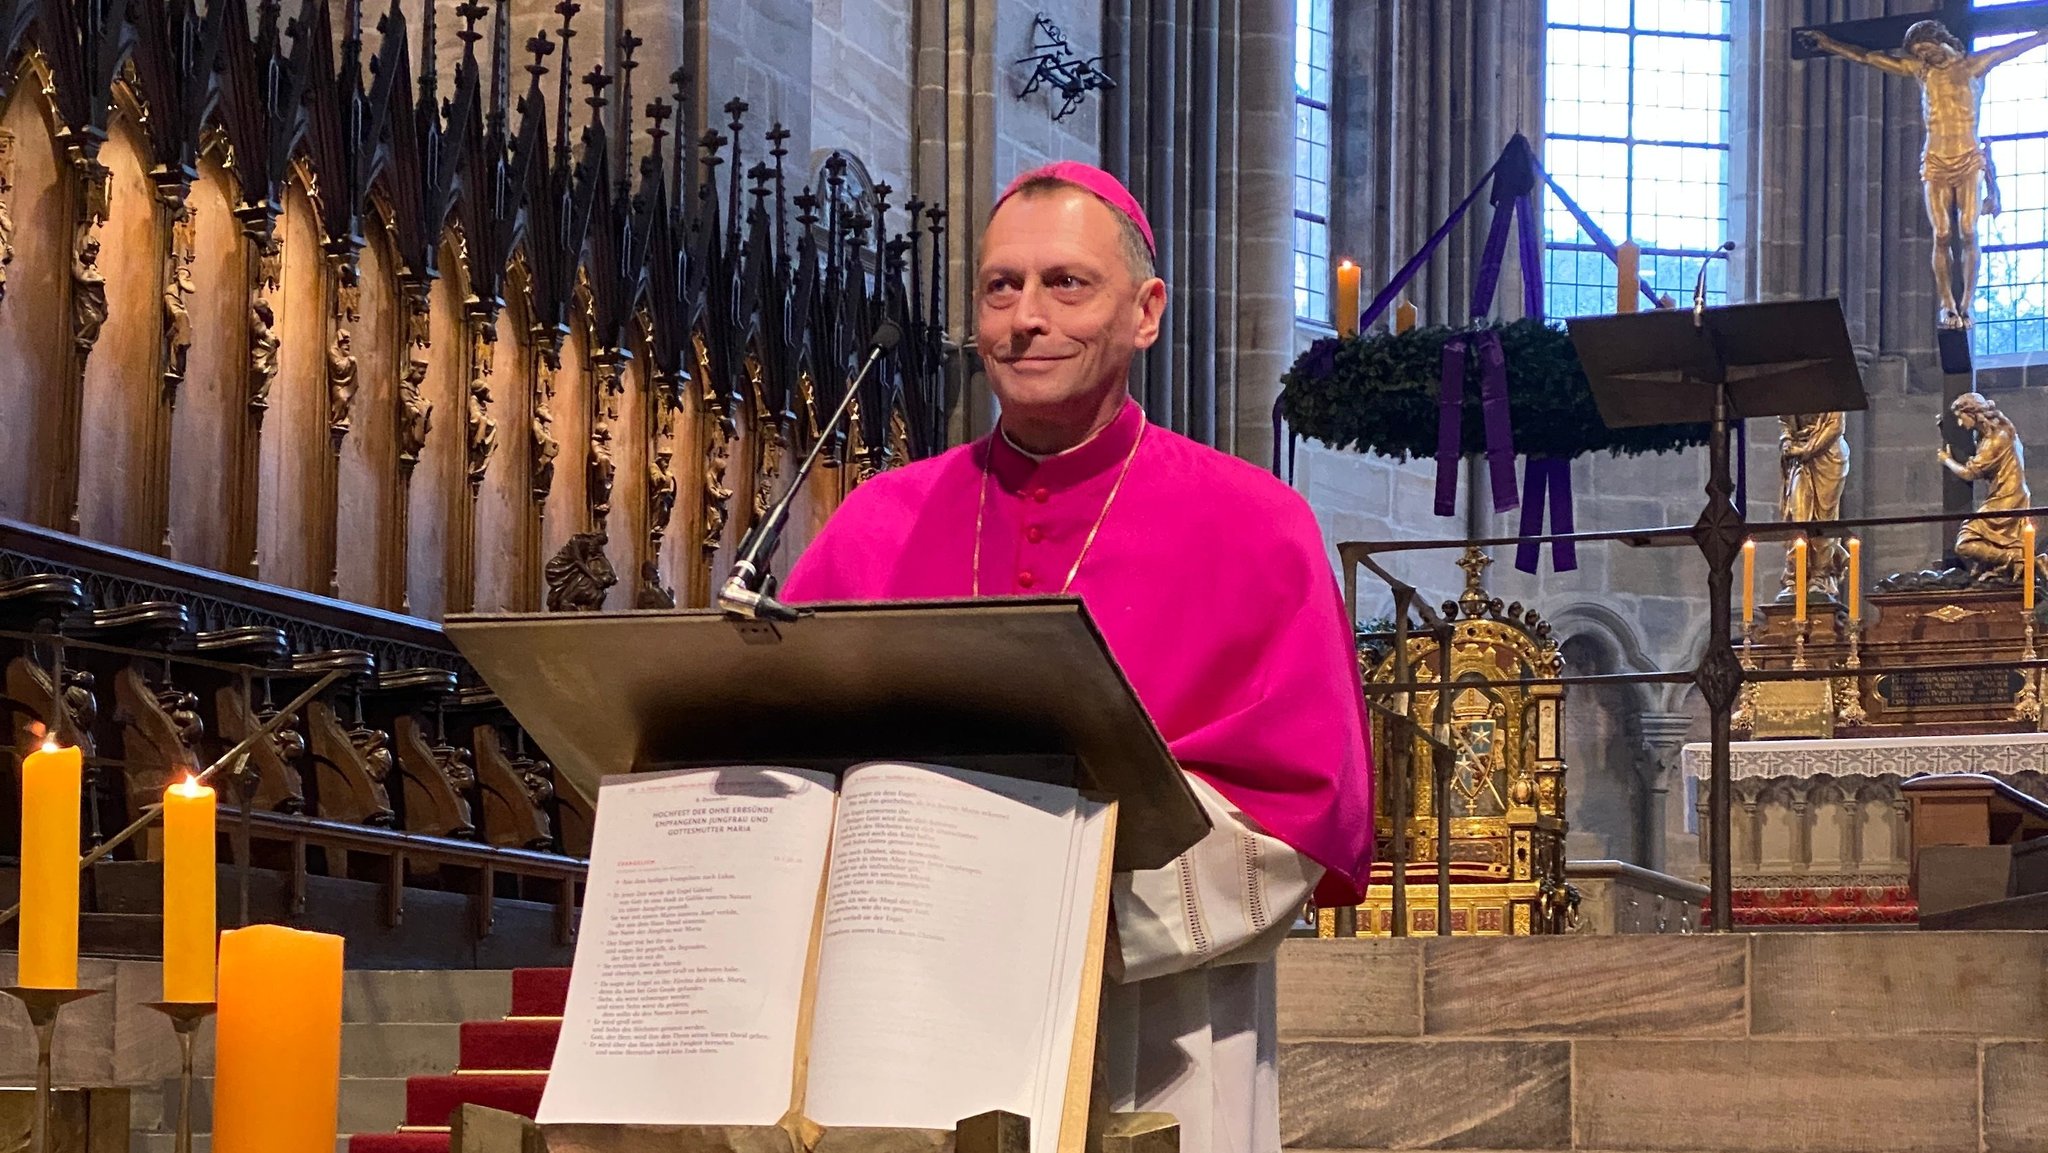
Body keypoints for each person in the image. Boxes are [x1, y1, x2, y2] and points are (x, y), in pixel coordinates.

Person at [782, 161, 1374, 1153]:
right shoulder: (876, 522)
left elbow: (1298, 811)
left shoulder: (1256, 525)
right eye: (999, 286)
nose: (1025, 316)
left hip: (1159, 1018)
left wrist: (1048, 908)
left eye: (1065, 283)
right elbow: (787, 747)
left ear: (1144, 311)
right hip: (904, 1018)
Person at [1801, 20, 2048, 329]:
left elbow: (2016, 47)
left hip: (1968, 158)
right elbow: (1869, 58)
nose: (1926, 59)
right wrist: (1828, 44)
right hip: (1934, 161)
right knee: (1942, 233)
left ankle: (1967, 304)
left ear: (1941, 41)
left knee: (1969, 229)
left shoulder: (1974, 65)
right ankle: (1946, 304)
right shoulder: (1922, 73)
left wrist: (2043, 35)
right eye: (1921, 54)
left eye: (1928, 51)